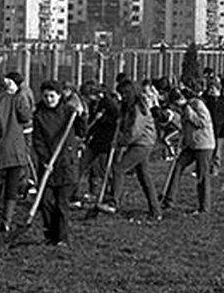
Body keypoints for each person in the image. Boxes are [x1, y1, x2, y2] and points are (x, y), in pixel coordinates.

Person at [31, 80, 84, 245]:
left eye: (52, 96)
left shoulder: (68, 112)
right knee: (46, 201)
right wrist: (45, 160)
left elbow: (82, 131)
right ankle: (50, 234)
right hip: (48, 165)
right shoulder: (39, 116)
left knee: (62, 202)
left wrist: (81, 116)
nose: (49, 99)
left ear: (59, 96)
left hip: (66, 163)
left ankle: (62, 237)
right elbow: (38, 141)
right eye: (45, 96)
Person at [101, 79, 162, 221]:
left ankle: (114, 202)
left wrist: (121, 142)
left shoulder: (138, 108)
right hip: (137, 143)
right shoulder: (126, 106)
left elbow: (135, 131)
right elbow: (123, 124)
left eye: (124, 94)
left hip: (143, 144)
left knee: (118, 169)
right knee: (144, 176)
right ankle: (156, 210)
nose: (121, 97)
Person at [0, 71, 33, 232]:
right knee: (12, 186)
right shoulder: (18, 99)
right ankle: (6, 220)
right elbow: (26, 117)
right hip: (15, 149)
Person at [162, 88, 215, 214]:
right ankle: (169, 199)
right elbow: (183, 126)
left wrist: (188, 111)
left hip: (204, 145)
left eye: (176, 104)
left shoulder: (197, 104)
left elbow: (202, 122)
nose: (176, 107)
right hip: (191, 145)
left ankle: (204, 208)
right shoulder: (183, 109)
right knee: (177, 166)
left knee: (202, 176)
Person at [74, 82, 118, 206]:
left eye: (88, 97)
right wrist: (86, 137)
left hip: (106, 142)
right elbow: (92, 124)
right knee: (81, 165)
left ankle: (110, 195)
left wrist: (103, 119)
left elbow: (117, 121)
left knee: (105, 169)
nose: (87, 100)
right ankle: (74, 194)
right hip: (94, 141)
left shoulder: (109, 103)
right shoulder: (94, 104)